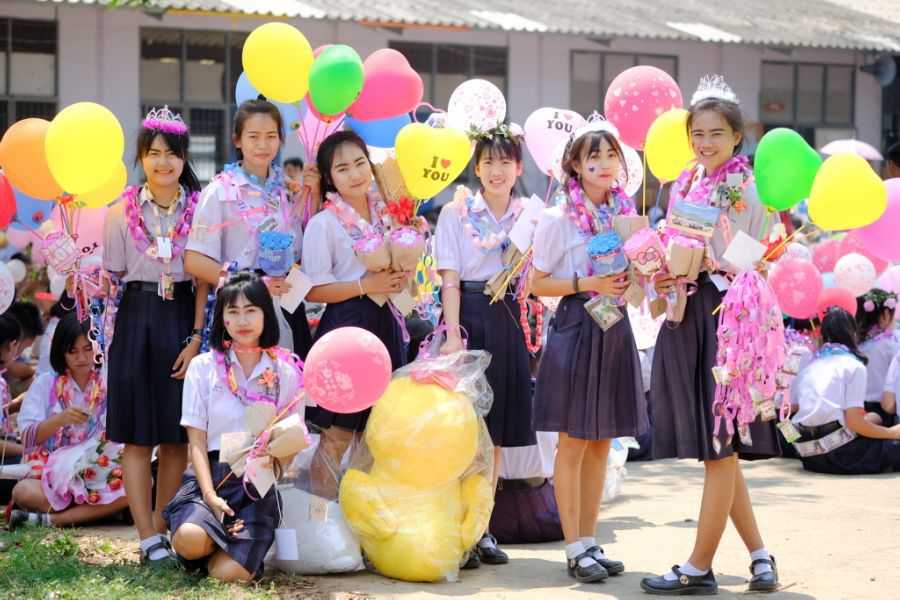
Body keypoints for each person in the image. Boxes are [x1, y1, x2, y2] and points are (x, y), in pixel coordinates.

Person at [642, 76, 779, 595]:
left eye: (716, 133)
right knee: (718, 450)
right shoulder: (686, 183)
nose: (705, 142)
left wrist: (709, 262)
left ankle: (699, 567)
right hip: (689, 312)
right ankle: (760, 554)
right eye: (697, 133)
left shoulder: (749, 189)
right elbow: (675, 243)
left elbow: (753, 258)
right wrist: (663, 269)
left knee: (721, 446)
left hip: (728, 319)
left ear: (737, 137)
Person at [531, 118, 647, 583]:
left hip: (614, 326)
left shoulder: (627, 216)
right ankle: (573, 547)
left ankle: (590, 539)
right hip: (577, 325)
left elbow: (636, 270)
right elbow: (537, 283)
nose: (603, 163)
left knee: (602, 439)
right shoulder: (557, 218)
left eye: (610, 155)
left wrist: (638, 275)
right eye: (592, 156)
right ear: (575, 166)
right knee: (574, 441)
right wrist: (587, 283)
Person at [103, 106, 208, 566]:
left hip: (181, 315)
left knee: (175, 435)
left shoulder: (201, 210)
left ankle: (165, 529)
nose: (163, 162)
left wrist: (196, 336)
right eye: (154, 153)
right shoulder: (119, 212)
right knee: (137, 436)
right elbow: (112, 277)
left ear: (184, 158)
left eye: (172, 154)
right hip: (136, 316)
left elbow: (203, 281)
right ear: (141, 158)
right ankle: (145, 536)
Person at [435, 122, 536, 567]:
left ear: (519, 168)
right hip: (469, 315)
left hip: (509, 317)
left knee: (494, 435)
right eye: (488, 162)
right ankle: (456, 528)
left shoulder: (531, 216)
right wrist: (453, 333)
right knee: (463, 429)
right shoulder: (455, 212)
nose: (497, 171)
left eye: (505, 162)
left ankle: (483, 530)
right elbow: (450, 277)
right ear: (476, 168)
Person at [164, 272, 304, 582]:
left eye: (251, 310)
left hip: (257, 481)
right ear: (222, 317)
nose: (242, 321)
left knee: (227, 574)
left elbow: (292, 439)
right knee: (189, 539)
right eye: (233, 311)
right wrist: (210, 495)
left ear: (266, 314)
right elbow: (196, 442)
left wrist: (273, 466)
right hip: (211, 475)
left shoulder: (285, 371)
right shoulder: (203, 367)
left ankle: (232, 552)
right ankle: (205, 541)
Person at [302, 131, 409, 499]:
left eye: (360, 163)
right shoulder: (324, 224)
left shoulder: (390, 214)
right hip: (346, 326)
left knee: (376, 435)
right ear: (329, 177)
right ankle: (322, 523)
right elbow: (314, 289)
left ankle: (365, 522)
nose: (355, 174)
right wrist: (366, 285)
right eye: (343, 168)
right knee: (337, 433)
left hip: (387, 321)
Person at [184, 99, 319, 359]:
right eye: (254, 136)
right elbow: (194, 260)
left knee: (290, 378)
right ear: (237, 140)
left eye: (271, 136)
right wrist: (251, 286)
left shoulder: (289, 191)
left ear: (281, 139)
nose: (262, 145)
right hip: (240, 305)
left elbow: (301, 251)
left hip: (287, 302)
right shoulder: (219, 192)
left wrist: (313, 195)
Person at [9, 314, 129, 529]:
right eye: (72, 351)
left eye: (88, 349)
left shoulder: (108, 382)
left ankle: (51, 520)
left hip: (99, 471)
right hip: (52, 475)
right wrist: (59, 420)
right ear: (61, 352)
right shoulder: (46, 383)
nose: (81, 357)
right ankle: (96, 511)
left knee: (140, 484)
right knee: (23, 491)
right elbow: (27, 437)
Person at [791, 307, 900, 474]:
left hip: (808, 457)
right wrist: (890, 433)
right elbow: (855, 423)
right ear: (853, 333)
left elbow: (795, 411)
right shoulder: (853, 366)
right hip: (841, 456)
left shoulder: (810, 366)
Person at [856, 289, 899, 425]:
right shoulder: (891, 343)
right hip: (883, 408)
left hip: (855, 407)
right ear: (885, 315)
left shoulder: (854, 344)